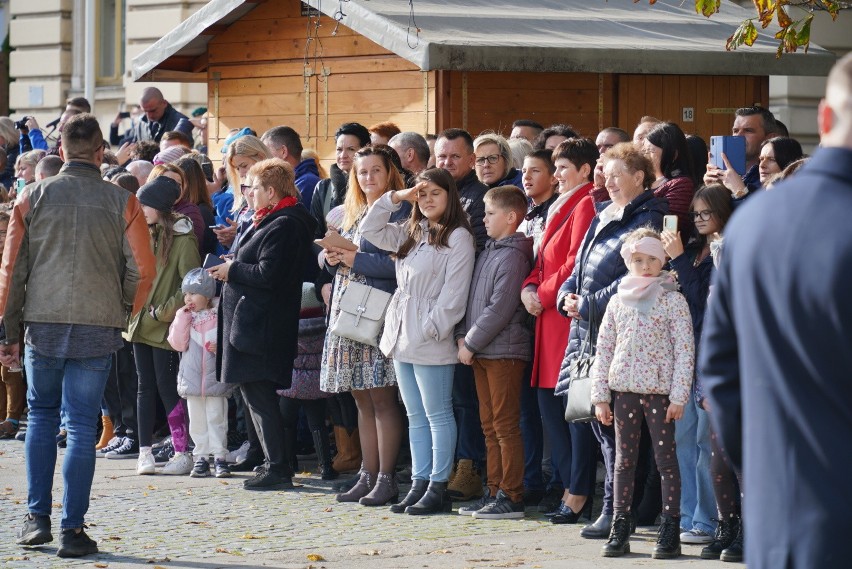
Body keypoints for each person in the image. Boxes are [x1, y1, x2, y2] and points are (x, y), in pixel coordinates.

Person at [700, 52, 852, 569]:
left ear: (825, 119)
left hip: (782, 506)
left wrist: (766, 466)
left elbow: (720, 367)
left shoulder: (755, 220)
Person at [2, 113, 155, 558]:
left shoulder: (32, 195)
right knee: (83, 428)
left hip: (42, 324)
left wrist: (8, 330)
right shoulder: (121, 201)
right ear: (101, 150)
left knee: (42, 418)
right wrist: (124, 310)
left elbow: (11, 271)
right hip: (97, 323)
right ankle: (73, 529)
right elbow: (142, 270)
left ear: (62, 149)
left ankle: (36, 519)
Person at [555, 142, 667, 538]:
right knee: (599, 423)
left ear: (639, 176)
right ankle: (617, 508)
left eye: (618, 173)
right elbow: (579, 262)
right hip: (587, 330)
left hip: (623, 331)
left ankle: (618, 510)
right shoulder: (604, 213)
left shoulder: (651, 214)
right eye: (606, 173)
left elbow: (637, 274)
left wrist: (588, 303)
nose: (609, 180)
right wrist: (565, 295)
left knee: (619, 429)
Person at [360, 167, 476, 515]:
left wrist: (432, 328)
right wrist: (396, 197)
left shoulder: (458, 237)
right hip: (401, 333)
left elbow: (454, 294)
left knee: (437, 413)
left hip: (429, 335)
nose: (427, 200)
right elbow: (369, 230)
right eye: (421, 194)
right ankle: (419, 481)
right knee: (415, 415)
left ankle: (438, 485)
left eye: (434, 193)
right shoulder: (412, 231)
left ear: (449, 196)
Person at [210, 158, 317, 491]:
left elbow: (270, 275)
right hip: (251, 321)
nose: (247, 193)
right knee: (254, 395)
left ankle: (278, 467)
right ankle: (271, 462)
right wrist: (235, 263)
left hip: (262, 325)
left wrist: (233, 271)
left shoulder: (284, 223)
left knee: (260, 396)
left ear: (271, 192)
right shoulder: (268, 219)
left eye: (252, 187)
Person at [591, 228, 694, 559]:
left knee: (665, 460)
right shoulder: (618, 300)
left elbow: (684, 350)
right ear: (628, 261)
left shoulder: (672, 299)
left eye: (652, 260)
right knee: (624, 461)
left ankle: (670, 526)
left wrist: (679, 396)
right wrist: (600, 396)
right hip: (625, 393)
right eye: (638, 260)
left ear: (662, 261)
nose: (645, 266)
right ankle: (621, 524)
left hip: (660, 396)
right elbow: (603, 348)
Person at [318, 146, 408, 506]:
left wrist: (353, 257)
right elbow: (336, 257)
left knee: (382, 398)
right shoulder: (351, 210)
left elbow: (396, 266)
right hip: (347, 310)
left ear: (390, 175)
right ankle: (367, 474)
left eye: (375, 171)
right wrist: (328, 255)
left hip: (377, 311)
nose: (368, 178)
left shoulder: (400, 211)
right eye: (362, 172)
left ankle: (387, 478)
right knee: (361, 397)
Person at [520, 139, 598, 525]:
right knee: (551, 406)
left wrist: (544, 293)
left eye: (564, 167)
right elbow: (541, 257)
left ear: (585, 170)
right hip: (546, 317)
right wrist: (529, 287)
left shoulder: (585, 203)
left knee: (572, 410)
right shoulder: (560, 205)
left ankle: (578, 489)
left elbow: (575, 262)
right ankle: (569, 485)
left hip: (564, 318)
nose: (557, 174)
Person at [661, 183, 739, 561]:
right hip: (684, 354)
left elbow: (704, 300)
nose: (699, 219)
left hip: (710, 354)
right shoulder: (693, 250)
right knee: (682, 439)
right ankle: (689, 515)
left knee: (709, 446)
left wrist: (676, 261)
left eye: (706, 213)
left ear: (724, 212)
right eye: (696, 214)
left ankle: (711, 520)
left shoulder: (727, 253)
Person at [454, 185, 533, 520]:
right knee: (489, 425)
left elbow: (499, 309)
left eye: (489, 213)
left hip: (503, 352)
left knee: (504, 425)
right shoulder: (489, 250)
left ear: (511, 217)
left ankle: (512, 496)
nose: (483, 219)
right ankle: (493, 490)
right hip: (481, 351)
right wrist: (462, 337)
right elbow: (471, 302)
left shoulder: (514, 254)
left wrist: (469, 343)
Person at [128, 176, 201, 476]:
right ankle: (144, 452)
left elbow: (190, 284)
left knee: (168, 387)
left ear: (160, 206)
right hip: (139, 323)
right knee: (144, 388)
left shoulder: (183, 238)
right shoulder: (142, 232)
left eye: (146, 204)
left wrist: (162, 313)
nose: (141, 208)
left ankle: (183, 451)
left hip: (164, 326)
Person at [434, 128, 488, 500]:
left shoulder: (479, 198)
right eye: (441, 156)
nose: (447, 163)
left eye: (455, 157)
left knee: (465, 397)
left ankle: (469, 467)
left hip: (467, 309)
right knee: (442, 399)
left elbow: (476, 251)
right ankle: (444, 465)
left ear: (471, 160)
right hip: (429, 308)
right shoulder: (429, 194)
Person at [168, 268, 235, 479]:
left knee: (217, 419)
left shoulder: (219, 314)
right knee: (197, 421)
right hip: (193, 380)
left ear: (207, 296)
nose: (188, 298)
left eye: (193, 294)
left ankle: (220, 457)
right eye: (186, 294)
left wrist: (220, 347)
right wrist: (181, 317)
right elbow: (177, 344)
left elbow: (228, 338)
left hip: (215, 381)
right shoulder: (187, 318)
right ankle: (201, 457)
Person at [702, 105, 778, 199]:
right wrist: (713, 189)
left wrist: (740, 191)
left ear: (770, 138)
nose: (738, 136)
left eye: (748, 130)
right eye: (735, 131)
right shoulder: (724, 170)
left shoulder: (775, 175)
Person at [310, 122, 371, 239]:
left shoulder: (372, 184)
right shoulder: (323, 188)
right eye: (339, 149)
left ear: (365, 149)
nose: (343, 155)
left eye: (350, 149)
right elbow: (315, 235)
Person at [643, 122, 695, 237]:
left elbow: (668, 225)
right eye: (644, 151)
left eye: (650, 151)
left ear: (673, 155)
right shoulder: (641, 181)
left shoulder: (681, 184)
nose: (644, 157)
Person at [0, 206, 23, 440]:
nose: (0, 237)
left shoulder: (15, 256)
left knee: (11, 370)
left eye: (4, 232)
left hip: (12, 318)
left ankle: (12, 418)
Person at [260, 125, 321, 206]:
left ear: (283, 151)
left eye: (267, 152)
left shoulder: (307, 184)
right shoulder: (291, 181)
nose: (264, 159)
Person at [121, 87, 190, 144]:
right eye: (145, 111)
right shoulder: (141, 123)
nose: (149, 115)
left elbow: (185, 153)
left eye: (153, 110)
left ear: (164, 103)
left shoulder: (180, 122)